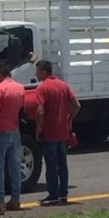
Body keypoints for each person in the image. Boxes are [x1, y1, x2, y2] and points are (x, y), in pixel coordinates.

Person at [34, 59, 81, 206]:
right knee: (62, 164)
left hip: (50, 132)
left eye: (37, 71)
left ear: (43, 71)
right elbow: (77, 105)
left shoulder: (42, 88)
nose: (36, 74)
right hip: (63, 131)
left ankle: (53, 194)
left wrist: (38, 128)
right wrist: (69, 118)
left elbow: (40, 111)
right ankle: (63, 194)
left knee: (51, 165)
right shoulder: (63, 85)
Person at [0, 61, 25, 212]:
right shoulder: (20, 88)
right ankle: (16, 199)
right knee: (15, 166)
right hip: (14, 129)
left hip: (0, 130)